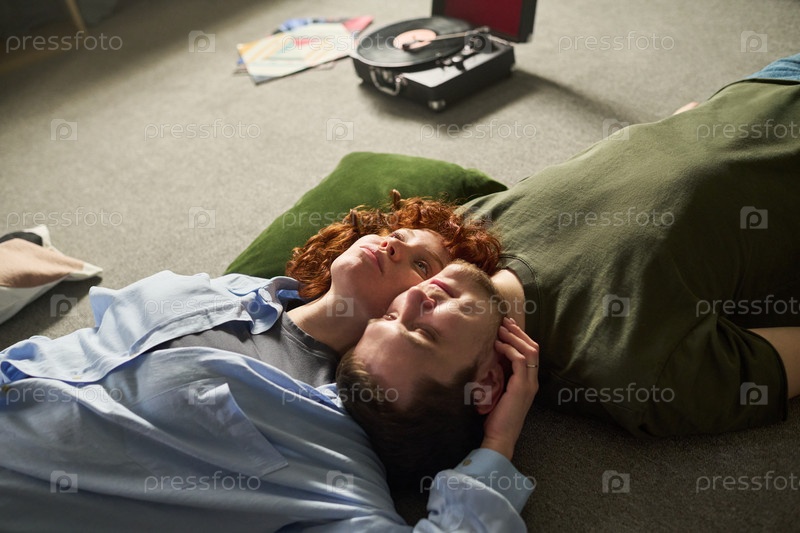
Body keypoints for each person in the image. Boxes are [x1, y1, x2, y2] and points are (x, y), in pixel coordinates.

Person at [0, 198, 536, 531]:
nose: (393, 243)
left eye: (422, 264)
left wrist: (499, 445)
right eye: (398, 234)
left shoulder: (327, 451)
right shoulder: (240, 291)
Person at [454, 53, 800, 437]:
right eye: (423, 335)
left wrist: (675, 130)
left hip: (764, 87)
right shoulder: (638, 379)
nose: (414, 300)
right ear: (486, 384)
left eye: (398, 309)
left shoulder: (464, 235)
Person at [337, 260, 540, 489]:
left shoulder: (460, 244)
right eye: (424, 332)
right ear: (486, 385)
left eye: (390, 316)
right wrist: (499, 442)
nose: (413, 294)